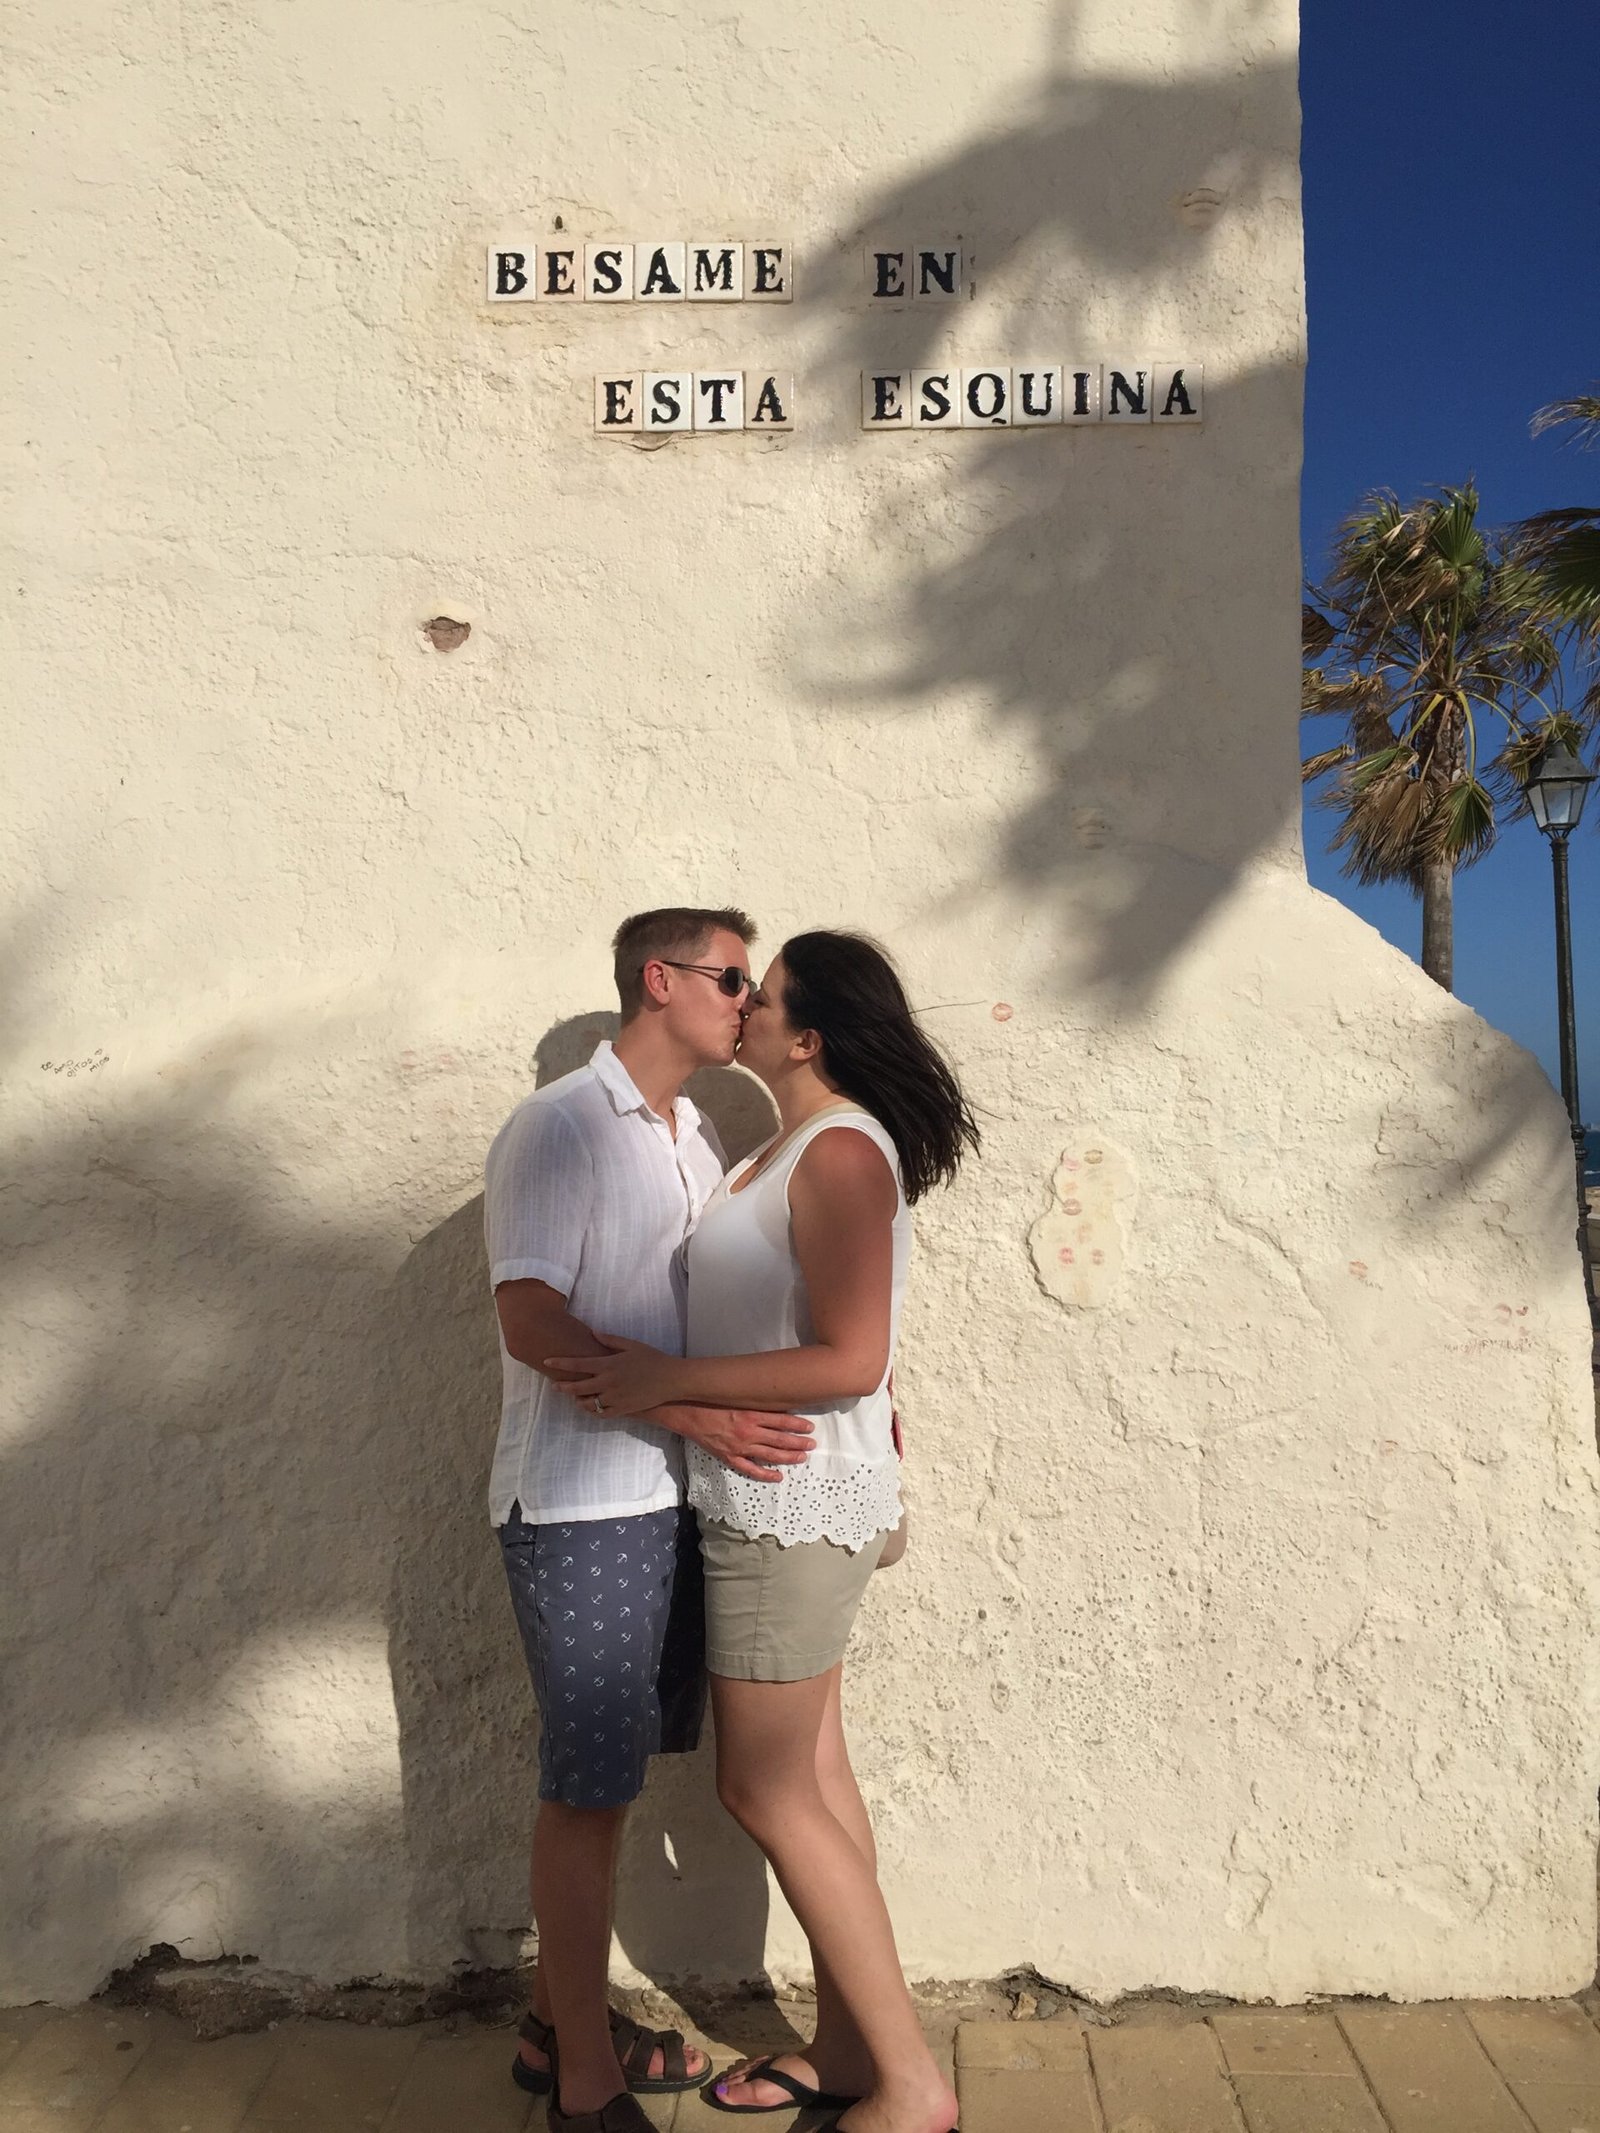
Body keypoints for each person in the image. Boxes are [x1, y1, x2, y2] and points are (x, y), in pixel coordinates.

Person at [552, 931, 980, 2133]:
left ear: (806, 1036)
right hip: (765, 1503)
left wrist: (665, 1379)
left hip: (792, 1509)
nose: (740, 1003)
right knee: (817, 1781)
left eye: (762, 989)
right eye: (732, 981)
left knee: (767, 1789)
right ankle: (850, 2055)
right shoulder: (784, 1146)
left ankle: (909, 2087)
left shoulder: (840, 1148)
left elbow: (853, 1357)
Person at [485, 907, 817, 2133]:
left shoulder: (686, 1139)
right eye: (731, 977)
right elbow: (533, 1322)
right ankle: (582, 2081)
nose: (746, 1001)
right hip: (579, 1506)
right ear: (658, 979)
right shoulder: (559, 1127)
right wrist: (700, 1420)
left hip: (664, 1503)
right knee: (586, 1794)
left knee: (612, 1784)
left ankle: (546, 2021)